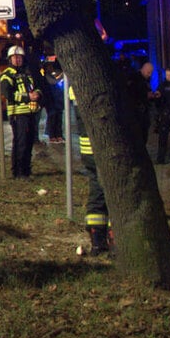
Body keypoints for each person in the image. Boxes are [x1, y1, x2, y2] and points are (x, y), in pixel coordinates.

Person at [69, 87, 111, 256]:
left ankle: (97, 242)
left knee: (97, 192)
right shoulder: (99, 82)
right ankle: (114, 242)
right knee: (113, 192)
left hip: (87, 150)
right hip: (103, 149)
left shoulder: (76, 87)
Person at [0, 45, 42, 177]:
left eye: (20, 57)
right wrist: (27, 97)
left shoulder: (27, 73)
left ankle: (26, 170)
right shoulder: (7, 75)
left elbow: (37, 87)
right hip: (18, 114)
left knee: (29, 142)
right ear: (10, 59)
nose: (18, 60)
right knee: (20, 143)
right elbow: (8, 94)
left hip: (30, 113)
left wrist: (37, 94)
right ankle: (18, 172)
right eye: (15, 57)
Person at [127, 61, 157, 141]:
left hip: (144, 110)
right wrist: (145, 95)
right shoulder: (134, 78)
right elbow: (132, 94)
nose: (149, 75)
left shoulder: (145, 79)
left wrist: (152, 95)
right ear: (143, 69)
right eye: (148, 72)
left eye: (151, 73)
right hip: (136, 112)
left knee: (144, 132)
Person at [42, 60, 65, 143]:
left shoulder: (55, 74)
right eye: (48, 67)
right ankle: (52, 136)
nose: (50, 68)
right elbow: (54, 82)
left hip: (58, 101)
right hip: (51, 101)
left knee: (59, 119)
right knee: (52, 118)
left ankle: (59, 135)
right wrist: (62, 77)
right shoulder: (46, 77)